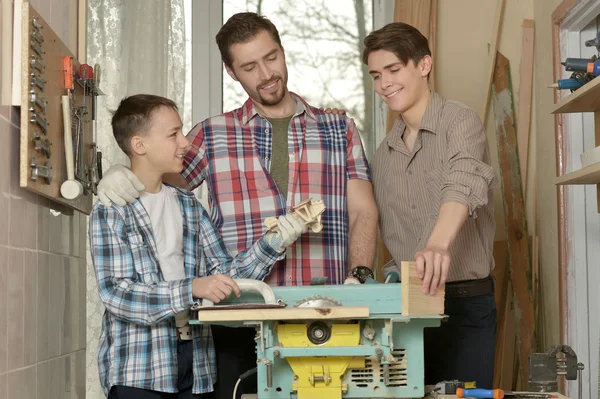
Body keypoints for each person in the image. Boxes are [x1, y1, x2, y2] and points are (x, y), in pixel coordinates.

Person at [96, 12, 379, 399]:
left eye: (271, 57)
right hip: (238, 324)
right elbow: (153, 177)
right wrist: (114, 172)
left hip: (322, 315)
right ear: (232, 72)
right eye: (249, 66)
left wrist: (359, 277)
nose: (266, 73)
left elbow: (364, 210)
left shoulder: (337, 128)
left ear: (282, 51)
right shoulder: (211, 135)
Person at [90, 94, 308, 399]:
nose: (186, 143)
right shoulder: (111, 209)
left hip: (197, 364)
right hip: (139, 368)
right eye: (173, 134)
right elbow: (117, 293)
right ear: (140, 145)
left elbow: (224, 273)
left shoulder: (188, 206)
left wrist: (274, 241)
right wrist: (192, 287)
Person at [362, 23, 498, 388]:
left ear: (423, 65)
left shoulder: (460, 120)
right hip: (409, 310)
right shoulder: (382, 157)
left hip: (466, 306)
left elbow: (464, 180)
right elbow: (393, 235)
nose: (384, 84)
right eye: (376, 75)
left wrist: (437, 244)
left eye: (393, 70)